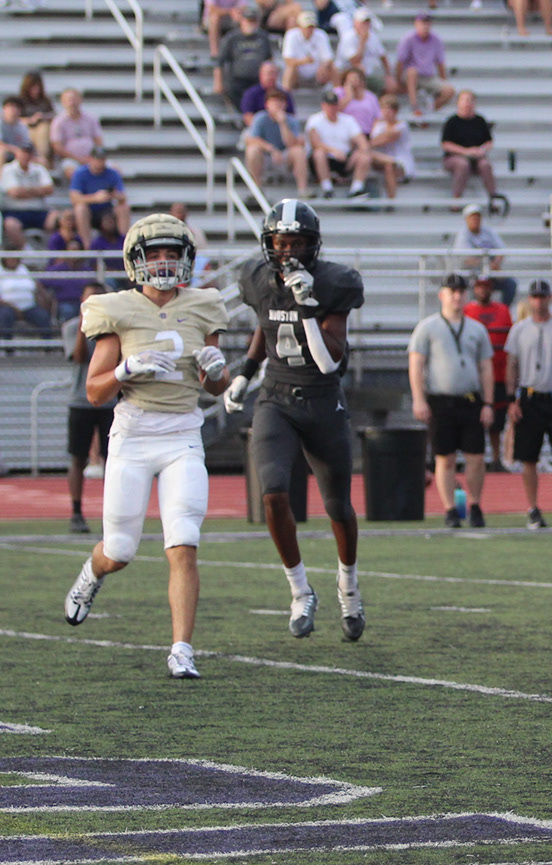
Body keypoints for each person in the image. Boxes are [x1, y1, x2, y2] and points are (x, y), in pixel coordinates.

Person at [61, 215, 230, 676]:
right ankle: (92, 572)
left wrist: (218, 372)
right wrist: (124, 369)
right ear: (136, 260)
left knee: (184, 541)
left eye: (172, 253)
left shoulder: (204, 305)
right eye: (155, 254)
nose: (164, 262)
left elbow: (216, 386)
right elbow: (94, 392)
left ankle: (182, 649)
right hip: (134, 434)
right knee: (119, 550)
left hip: (182, 434)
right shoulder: (116, 308)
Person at [219, 200, 366, 640]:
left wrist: (308, 308)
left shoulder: (334, 282)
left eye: (297, 243)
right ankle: (300, 591)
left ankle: (349, 587)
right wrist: (245, 374)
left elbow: (329, 362)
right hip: (276, 399)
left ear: (313, 245)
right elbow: (266, 325)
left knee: (338, 506)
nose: (288, 252)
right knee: (273, 494)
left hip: (322, 400)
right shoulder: (259, 277)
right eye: (281, 243)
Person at [410, 273, 496, 529]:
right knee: (444, 457)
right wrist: (418, 399)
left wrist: (488, 403)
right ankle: (450, 509)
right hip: (440, 401)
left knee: (476, 457)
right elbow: (416, 364)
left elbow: (486, 368)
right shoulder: (427, 327)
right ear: (442, 295)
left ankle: (475, 504)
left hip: (470, 400)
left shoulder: (476, 328)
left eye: (461, 291)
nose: (457, 296)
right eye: (452, 291)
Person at [505, 280, 552, 527]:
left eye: (543, 296)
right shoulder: (519, 329)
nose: (539, 301)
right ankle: (533, 508)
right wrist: (511, 399)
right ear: (530, 299)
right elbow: (512, 366)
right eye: (535, 297)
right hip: (530, 398)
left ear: (550, 298)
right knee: (529, 457)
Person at [59, 281, 114, 533]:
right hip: (81, 399)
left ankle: (111, 514)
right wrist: (84, 324)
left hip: (109, 400)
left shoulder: (113, 328)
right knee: (78, 457)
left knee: (112, 459)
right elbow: (79, 357)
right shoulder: (72, 327)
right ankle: (76, 511)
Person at [464, 275, 515, 468]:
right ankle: (474, 459)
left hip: (498, 373)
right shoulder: (467, 311)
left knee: (497, 420)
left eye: (486, 287)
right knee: (474, 419)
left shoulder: (502, 310)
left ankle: (495, 458)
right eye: (479, 287)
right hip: (474, 375)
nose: (483, 290)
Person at [305, 87, 368, 200]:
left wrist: (361, 150)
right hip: (325, 158)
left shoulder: (348, 120)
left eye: (334, 105)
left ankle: (356, 189)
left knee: (364, 156)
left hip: (344, 159)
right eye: (329, 105)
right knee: (319, 154)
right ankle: (327, 188)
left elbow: (361, 140)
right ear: (323, 105)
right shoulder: (315, 120)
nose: (332, 108)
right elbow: (315, 143)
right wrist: (333, 150)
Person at [0, 242, 53, 338]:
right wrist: (13, 307)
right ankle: (7, 344)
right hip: (3, 307)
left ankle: (47, 344)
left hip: (27, 307)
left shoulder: (23, 269)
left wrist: (44, 298)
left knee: (43, 316)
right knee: (6, 315)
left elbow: (34, 287)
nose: (13, 260)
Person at [440, 90, 496, 202]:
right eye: (464, 101)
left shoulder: (480, 121)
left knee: (485, 165)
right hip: (455, 156)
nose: (467, 104)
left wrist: (481, 150)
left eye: (470, 101)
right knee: (463, 165)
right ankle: (456, 200)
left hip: (476, 156)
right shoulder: (452, 122)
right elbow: (445, 144)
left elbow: (489, 142)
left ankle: (493, 198)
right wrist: (465, 151)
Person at [397, 12, 454, 116]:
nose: (425, 26)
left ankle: (430, 110)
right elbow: (400, 61)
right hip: (411, 76)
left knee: (449, 90)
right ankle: (414, 106)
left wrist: (443, 81)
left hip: (428, 76)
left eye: (427, 23)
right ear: (416, 24)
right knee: (412, 72)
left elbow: (440, 63)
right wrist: (398, 80)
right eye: (422, 23)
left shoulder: (436, 40)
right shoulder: (408, 39)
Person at [70, 148, 131, 236]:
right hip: (89, 210)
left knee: (123, 208)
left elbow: (122, 196)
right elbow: (74, 198)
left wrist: (111, 195)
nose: (99, 162)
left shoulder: (113, 173)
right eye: (97, 159)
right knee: (80, 209)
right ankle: (86, 242)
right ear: (90, 159)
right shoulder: (80, 173)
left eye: (102, 159)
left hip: (107, 209)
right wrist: (95, 198)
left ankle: (123, 239)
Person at [365, 93, 414, 198]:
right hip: (381, 158)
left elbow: (385, 139)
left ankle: (391, 199)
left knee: (389, 166)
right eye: (383, 109)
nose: (386, 112)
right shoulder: (379, 125)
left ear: (395, 111)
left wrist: (367, 144)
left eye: (389, 109)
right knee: (365, 156)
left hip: (400, 160)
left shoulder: (402, 126)